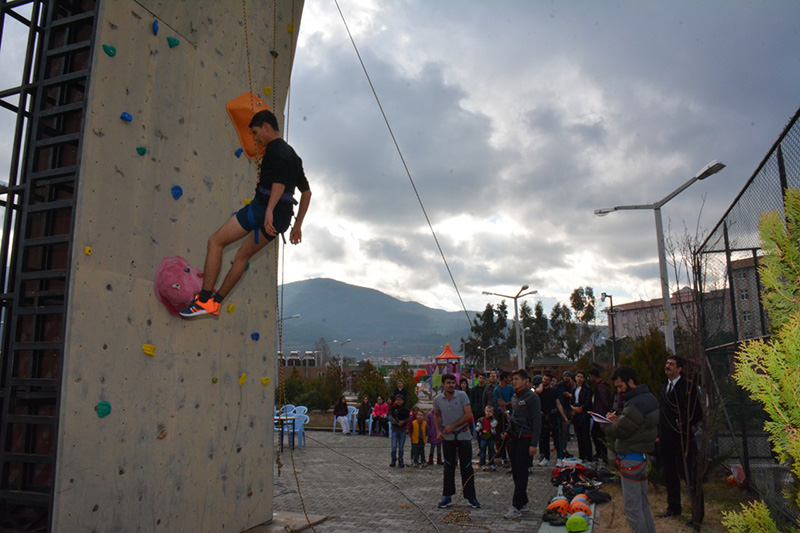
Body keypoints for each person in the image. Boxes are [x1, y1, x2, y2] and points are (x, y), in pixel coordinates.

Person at [180, 110, 311, 318]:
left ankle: (203, 300)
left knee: (215, 241)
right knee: (242, 256)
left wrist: (268, 210)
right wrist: (297, 226)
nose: (256, 138)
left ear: (266, 127)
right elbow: (306, 192)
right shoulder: (294, 156)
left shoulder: (274, 149)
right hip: (282, 219)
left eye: (256, 132)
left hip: (262, 210)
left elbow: (279, 182)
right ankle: (215, 303)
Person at [603, 367, 659, 533]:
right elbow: (636, 425)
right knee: (643, 504)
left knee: (632, 508)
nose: (619, 391)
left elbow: (621, 431)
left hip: (631, 460)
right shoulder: (649, 398)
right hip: (641, 458)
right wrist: (619, 420)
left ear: (631, 382)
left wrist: (605, 424)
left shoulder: (636, 403)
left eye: (620, 386)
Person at [658, 355, 704, 524]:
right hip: (666, 439)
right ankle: (673, 507)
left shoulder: (688, 388)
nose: (667, 366)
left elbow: (697, 413)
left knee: (690, 477)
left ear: (679, 369)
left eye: (671, 364)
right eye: (667, 363)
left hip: (683, 440)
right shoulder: (664, 387)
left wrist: (682, 425)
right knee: (670, 474)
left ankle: (697, 514)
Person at [433, 374, 480, 509]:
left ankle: (471, 497)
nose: (451, 385)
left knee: (467, 467)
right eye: (448, 383)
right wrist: (438, 431)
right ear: (443, 384)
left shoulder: (462, 396)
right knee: (448, 467)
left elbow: (468, 414)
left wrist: (452, 427)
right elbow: (436, 415)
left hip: (463, 436)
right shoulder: (438, 399)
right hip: (448, 439)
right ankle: (447, 496)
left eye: (453, 383)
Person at [504, 369, 541, 519]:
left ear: (526, 381)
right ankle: (523, 501)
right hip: (515, 437)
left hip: (526, 438)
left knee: (521, 471)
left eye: (517, 379)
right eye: (513, 379)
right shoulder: (514, 397)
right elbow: (513, 417)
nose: (514, 382)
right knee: (515, 470)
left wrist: (534, 444)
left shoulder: (532, 397)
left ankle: (516, 505)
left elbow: (537, 421)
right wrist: (507, 431)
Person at [538, 373, 567, 467]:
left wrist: (564, 417)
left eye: (547, 380)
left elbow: (558, 404)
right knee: (544, 439)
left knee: (557, 438)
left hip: (553, 417)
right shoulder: (539, 391)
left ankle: (559, 458)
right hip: (543, 417)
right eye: (544, 379)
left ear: (550, 382)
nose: (545, 381)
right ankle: (546, 458)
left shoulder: (553, 391)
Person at [589, 369, 612, 463]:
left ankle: (602, 454)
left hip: (600, 416)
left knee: (598, 435)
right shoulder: (603, 386)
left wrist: (604, 413)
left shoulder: (600, 388)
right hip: (599, 415)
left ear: (593, 376)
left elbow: (604, 402)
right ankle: (600, 453)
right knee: (597, 434)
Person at [571, 370, 594, 462]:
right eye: (578, 376)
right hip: (576, 413)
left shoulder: (587, 389)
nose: (579, 379)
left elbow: (588, 402)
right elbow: (572, 400)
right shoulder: (574, 389)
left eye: (581, 377)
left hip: (584, 413)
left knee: (585, 436)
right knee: (579, 436)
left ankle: (589, 456)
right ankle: (582, 455)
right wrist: (573, 408)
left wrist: (581, 408)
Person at [492, 371, 514, 465]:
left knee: (511, 436)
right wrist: (507, 415)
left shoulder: (510, 388)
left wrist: (507, 403)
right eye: (508, 378)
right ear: (504, 378)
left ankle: (511, 456)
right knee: (501, 436)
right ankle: (504, 457)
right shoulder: (497, 390)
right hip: (501, 415)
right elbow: (501, 404)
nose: (510, 380)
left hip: (511, 413)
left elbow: (514, 400)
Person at [554, 371, 575, 457]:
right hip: (561, 409)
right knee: (563, 431)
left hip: (568, 409)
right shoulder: (559, 386)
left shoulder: (571, 386)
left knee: (566, 432)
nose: (566, 377)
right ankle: (561, 450)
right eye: (565, 376)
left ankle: (564, 449)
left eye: (568, 376)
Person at [388, 395, 411, 467]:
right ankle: (393, 459)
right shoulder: (393, 409)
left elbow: (408, 418)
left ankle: (400, 459)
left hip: (402, 430)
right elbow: (390, 417)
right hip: (395, 429)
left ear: (403, 401)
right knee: (394, 446)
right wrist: (396, 422)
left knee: (401, 446)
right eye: (397, 400)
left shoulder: (405, 409)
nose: (399, 401)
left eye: (400, 400)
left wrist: (403, 422)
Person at [476, 405, 498, 470]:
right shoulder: (481, 420)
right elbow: (477, 428)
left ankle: (491, 463)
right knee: (482, 451)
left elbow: (494, 425)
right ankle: (482, 464)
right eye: (487, 411)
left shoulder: (493, 420)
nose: (488, 413)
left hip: (490, 437)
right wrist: (482, 430)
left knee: (491, 450)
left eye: (490, 411)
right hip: (483, 437)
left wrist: (491, 418)